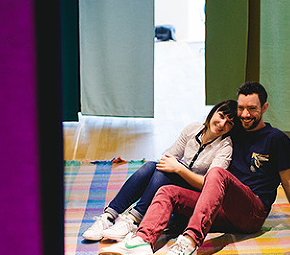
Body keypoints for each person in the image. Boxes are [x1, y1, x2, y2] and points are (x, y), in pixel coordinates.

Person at [98, 82, 290, 255]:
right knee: (167, 191)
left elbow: (287, 181)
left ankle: (189, 243)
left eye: (252, 109)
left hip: (252, 212)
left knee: (218, 173)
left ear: (264, 107)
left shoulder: (277, 139)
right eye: (241, 108)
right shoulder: (233, 131)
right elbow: (211, 129)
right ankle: (142, 241)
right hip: (219, 208)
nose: (245, 114)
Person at [82, 100, 237, 242]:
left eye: (229, 123)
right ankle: (108, 217)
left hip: (199, 195)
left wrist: (179, 169)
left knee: (165, 170)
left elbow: (209, 185)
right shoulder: (193, 129)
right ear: (213, 112)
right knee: (151, 166)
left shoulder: (225, 146)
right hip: (181, 180)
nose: (222, 124)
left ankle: (133, 220)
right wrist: (175, 167)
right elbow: (169, 156)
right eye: (221, 116)